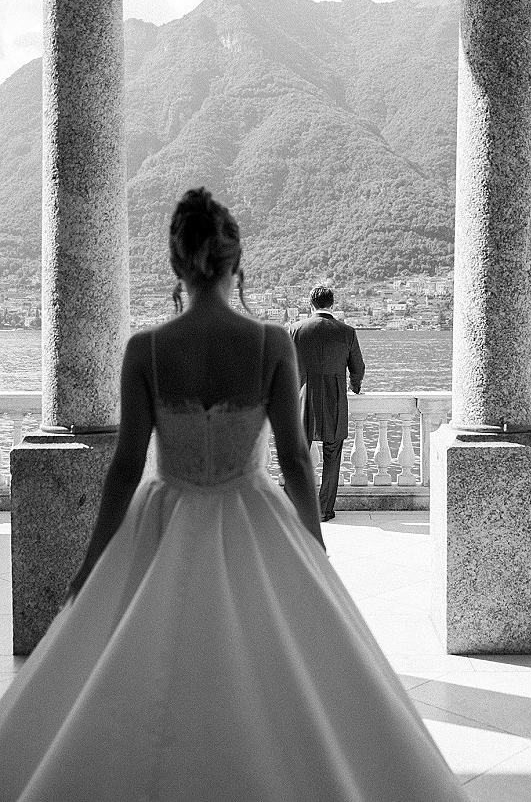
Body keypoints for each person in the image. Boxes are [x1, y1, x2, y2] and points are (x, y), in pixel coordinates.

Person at [0, 188, 467, 802]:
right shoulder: (270, 341)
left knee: (145, 672)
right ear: (234, 260)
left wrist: (89, 568)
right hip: (254, 516)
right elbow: (297, 457)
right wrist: (314, 546)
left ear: (176, 261)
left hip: (163, 519)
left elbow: (125, 466)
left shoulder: (147, 349)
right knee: (278, 674)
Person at [290, 287, 365, 521]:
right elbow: (358, 368)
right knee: (332, 455)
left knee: (299, 455)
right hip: (334, 400)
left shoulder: (294, 330)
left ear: (310, 304)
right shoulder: (347, 332)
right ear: (332, 304)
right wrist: (355, 386)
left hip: (303, 399)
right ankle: (324, 510)